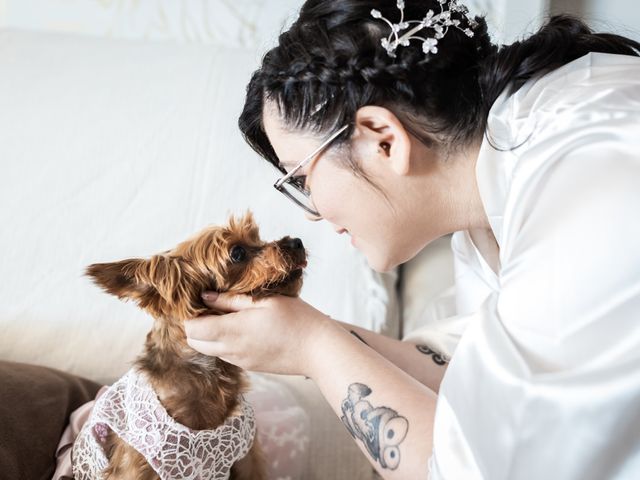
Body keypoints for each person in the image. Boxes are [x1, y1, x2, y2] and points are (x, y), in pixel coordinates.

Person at [185, 1, 640, 478]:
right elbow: (473, 372)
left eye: (301, 179)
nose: (314, 213)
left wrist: (313, 347)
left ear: (383, 138)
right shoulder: (508, 165)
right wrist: (303, 329)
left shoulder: (582, 193)